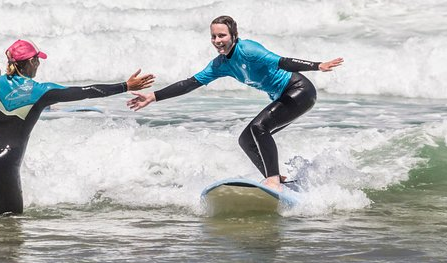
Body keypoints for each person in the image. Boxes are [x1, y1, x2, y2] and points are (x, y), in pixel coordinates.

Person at [0, 39, 155, 217]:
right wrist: (125, 85)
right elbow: (87, 91)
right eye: (37, 59)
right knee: (10, 224)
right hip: (4, 163)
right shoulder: (42, 91)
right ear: (30, 62)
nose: (39, 63)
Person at [127, 15, 343, 190]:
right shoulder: (220, 65)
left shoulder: (248, 49)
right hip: (284, 96)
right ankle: (277, 179)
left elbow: (282, 61)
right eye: (213, 36)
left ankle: (273, 180)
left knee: (260, 128)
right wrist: (154, 96)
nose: (217, 40)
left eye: (221, 35)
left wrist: (318, 65)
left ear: (233, 35)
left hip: (299, 91)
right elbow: (190, 83)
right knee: (246, 140)